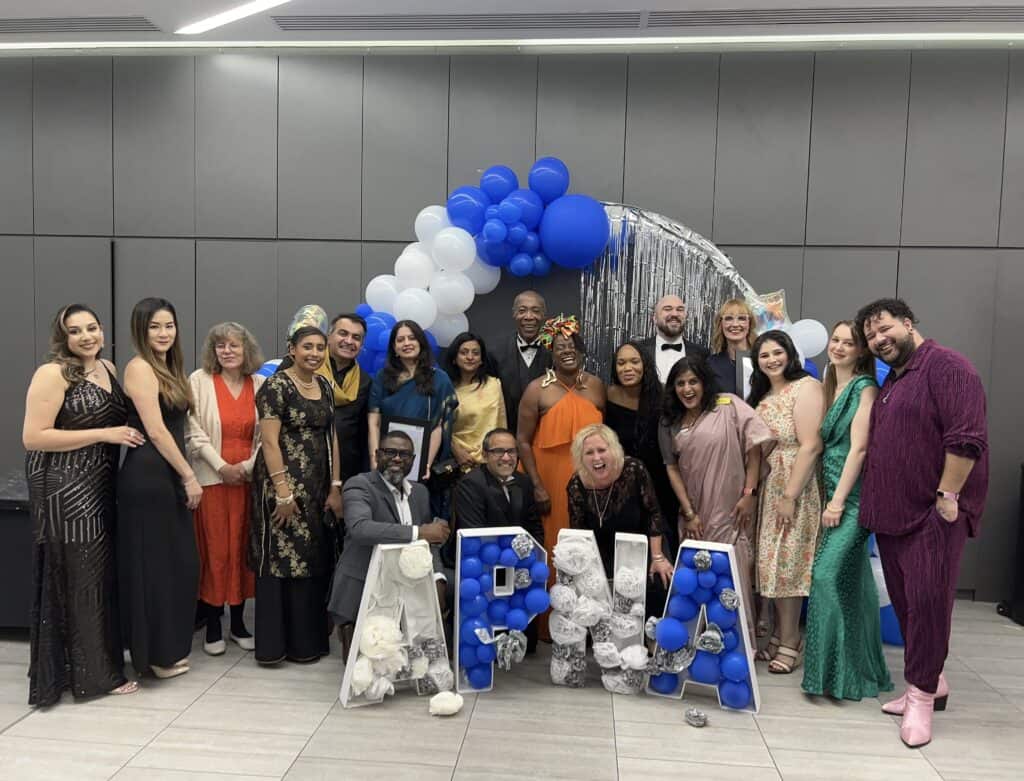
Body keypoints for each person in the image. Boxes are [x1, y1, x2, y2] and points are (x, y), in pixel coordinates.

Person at [856, 299, 988, 748]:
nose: (878, 340)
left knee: (929, 605)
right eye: (871, 336)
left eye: (884, 328)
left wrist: (948, 496)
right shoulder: (895, 379)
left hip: (933, 514)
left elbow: (966, 437)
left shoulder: (948, 367)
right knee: (909, 606)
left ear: (908, 323)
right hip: (892, 515)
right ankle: (932, 680)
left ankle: (921, 699)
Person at [23, 304, 143, 704]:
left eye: (91, 328)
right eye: (76, 332)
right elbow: (34, 437)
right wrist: (105, 433)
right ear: (64, 338)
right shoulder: (52, 373)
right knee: (83, 579)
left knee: (96, 576)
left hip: (102, 484)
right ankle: (94, 677)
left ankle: (90, 666)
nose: (86, 336)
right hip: (67, 486)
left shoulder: (108, 368)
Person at [801, 321, 892, 701]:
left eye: (847, 343)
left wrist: (838, 503)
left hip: (851, 501)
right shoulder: (829, 384)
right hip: (831, 499)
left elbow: (859, 449)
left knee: (824, 576)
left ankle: (837, 675)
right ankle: (852, 672)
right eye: (835, 340)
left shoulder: (864, 387)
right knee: (853, 586)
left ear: (861, 351)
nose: (838, 347)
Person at [658, 355, 774, 641]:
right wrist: (689, 513)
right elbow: (671, 467)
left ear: (704, 383)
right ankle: (697, 640)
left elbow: (755, 448)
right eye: (680, 383)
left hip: (732, 509)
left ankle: (740, 641)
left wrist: (749, 494)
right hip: (695, 512)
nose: (687, 389)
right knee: (696, 575)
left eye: (693, 381)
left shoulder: (728, 405)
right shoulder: (669, 421)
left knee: (733, 573)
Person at [119, 297, 202, 680]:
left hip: (166, 471)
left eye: (169, 325)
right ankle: (154, 655)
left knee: (177, 565)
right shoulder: (139, 368)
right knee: (155, 567)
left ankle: (166, 649)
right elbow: (155, 430)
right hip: (150, 476)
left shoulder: (170, 367)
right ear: (141, 330)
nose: (164, 333)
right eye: (155, 326)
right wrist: (188, 475)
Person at [249, 324, 342, 665]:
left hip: (317, 487)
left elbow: (332, 438)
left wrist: (336, 486)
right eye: (308, 347)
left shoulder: (325, 386)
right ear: (292, 349)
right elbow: (269, 442)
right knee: (282, 559)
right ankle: (276, 647)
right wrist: (284, 494)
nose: (315, 353)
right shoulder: (276, 386)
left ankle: (308, 644)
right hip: (280, 485)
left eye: (320, 347)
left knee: (313, 558)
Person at [517, 315, 604, 638]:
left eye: (571, 346)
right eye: (559, 347)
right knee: (553, 546)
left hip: (589, 477)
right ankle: (548, 624)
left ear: (582, 351)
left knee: (587, 545)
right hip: (550, 478)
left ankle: (587, 621)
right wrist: (537, 486)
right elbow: (522, 440)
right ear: (551, 354)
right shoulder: (535, 390)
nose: (566, 351)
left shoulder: (595, 385)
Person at [327, 431, 451, 655]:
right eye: (390, 452)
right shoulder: (359, 485)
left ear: (413, 461)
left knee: (418, 663)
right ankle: (348, 631)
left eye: (404, 454)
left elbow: (429, 542)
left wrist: (438, 577)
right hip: (366, 587)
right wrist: (418, 531)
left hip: (407, 588)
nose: (397, 459)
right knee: (366, 670)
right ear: (376, 455)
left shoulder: (420, 493)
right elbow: (360, 529)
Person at [747, 330, 824, 675]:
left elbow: (811, 445)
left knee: (789, 565)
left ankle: (792, 641)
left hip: (797, 485)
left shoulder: (806, 386)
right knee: (772, 565)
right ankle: (779, 634)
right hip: (771, 484)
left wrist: (790, 496)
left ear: (790, 354)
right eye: (764, 356)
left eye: (777, 353)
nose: (772, 360)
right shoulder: (762, 396)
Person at [185, 322, 265, 656]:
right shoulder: (198, 381)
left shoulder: (260, 384)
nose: (227, 351)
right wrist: (221, 467)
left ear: (246, 350)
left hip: (246, 482)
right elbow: (192, 431)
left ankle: (238, 622)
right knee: (215, 551)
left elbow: (267, 436)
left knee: (241, 550)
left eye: (234, 345)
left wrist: (245, 469)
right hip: (212, 479)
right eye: (221, 346)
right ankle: (214, 623)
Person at [567, 424, 673, 613]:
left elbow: (654, 513)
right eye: (589, 453)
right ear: (580, 458)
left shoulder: (634, 469)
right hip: (603, 551)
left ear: (613, 450)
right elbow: (579, 532)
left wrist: (658, 556)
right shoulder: (576, 484)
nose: (597, 458)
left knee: (658, 579)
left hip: (643, 544)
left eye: (602, 450)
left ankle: (653, 637)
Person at [605, 341, 679, 554]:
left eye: (634, 361)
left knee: (665, 547)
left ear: (645, 364)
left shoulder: (665, 395)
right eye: (621, 363)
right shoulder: (608, 395)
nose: (628, 368)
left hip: (663, 485)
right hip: (623, 486)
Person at [368, 320, 459, 487]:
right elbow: (374, 422)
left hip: (420, 462)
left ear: (421, 343)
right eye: (400, 340)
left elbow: (438, 426)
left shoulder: (439, 379)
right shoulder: (383, 378)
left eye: (412, 338)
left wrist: (426, 463)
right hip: (386, 459)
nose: (407, 343)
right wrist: (375, 458)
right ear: (394, 348)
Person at [490, 291, 553, 434]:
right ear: (514, 314)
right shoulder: (495, 353)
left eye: (536, 311)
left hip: (546, 434)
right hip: (506, 436)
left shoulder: (556, 352)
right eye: (522, 311)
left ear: (544, 315)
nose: (529, 317)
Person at [444, 332, 507, 467]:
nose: (470, 357)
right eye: (464, 352)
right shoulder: (447, 389)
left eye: (475, 353)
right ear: (454, 358)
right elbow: (440, 426)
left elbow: (501, 423)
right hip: (459, 461)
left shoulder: (494, 385)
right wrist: (456, 450)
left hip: (492, 461)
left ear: (482, 359)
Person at [636, 294, 709, 384]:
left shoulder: (703, 354)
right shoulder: (638, 350)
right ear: (654, 318)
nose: (675, 314)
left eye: (680, 309)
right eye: (667, 309)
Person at [707, 298, 759, 395]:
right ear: (721, 324)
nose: (735, 324)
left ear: (750, 323)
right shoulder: (710, 364)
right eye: (729, 318)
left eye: (741, 318)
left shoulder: (762, 360)